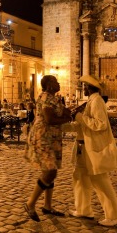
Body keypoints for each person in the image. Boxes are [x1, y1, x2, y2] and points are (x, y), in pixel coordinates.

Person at [71, 74, 117, 227]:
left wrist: (80, 117)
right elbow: (84, 123)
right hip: (82, 146)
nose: (83, 88)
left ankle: (114, 215)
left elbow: (100, 124)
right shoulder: (90, 101)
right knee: (80, 177)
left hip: (93, 148)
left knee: (100, 181)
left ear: (89, 87)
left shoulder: (97, 101)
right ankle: (83, 209)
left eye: (85, 86)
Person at [23, 75, 71, 222]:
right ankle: (30, 204)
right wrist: (67, 118)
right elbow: (49, 119)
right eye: (56, 82)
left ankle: (47, 206)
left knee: (52, 170)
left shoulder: (54, 98)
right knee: (50, 171)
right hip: (43, 137)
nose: (59, 83)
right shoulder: (45, 98)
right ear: (49, 85)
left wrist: (68, 112)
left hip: (52, 138)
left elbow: (60, 113)